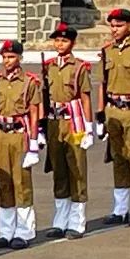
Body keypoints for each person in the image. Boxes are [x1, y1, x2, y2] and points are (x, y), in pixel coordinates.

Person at [0, 40, 40, 249]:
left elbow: (34, 113)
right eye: (5, 57)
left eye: (11, 57)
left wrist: (34, 143)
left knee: (21, 182)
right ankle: (6, 232)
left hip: (19, 134)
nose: (7, 61)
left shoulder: (29, 82)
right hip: (0, 135)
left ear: (20, 58)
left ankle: (24, 232)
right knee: (3, 181)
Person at [43, 23, 93, 239]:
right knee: (59, 170)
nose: (59, 44)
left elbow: (85, 97)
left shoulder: (80, 67)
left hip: (74, 122)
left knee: (77, 169)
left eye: (64, 40)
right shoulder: (49, 66)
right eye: (56, 40)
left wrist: (89, 128)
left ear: (72, 43)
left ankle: (77, 222)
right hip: (55, 122)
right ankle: (60, 221)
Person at [96, 8, 130, 225]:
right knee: (118, 157)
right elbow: (102, 85)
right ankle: (120, 209)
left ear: (129, 25)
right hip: (113, 110)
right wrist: (99, 115)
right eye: (112, 25)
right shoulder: (107, 51)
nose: (114, 29)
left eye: (119, 25)